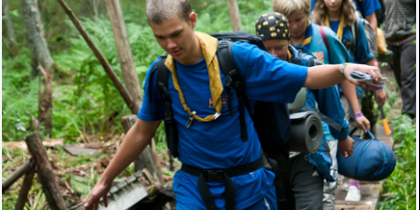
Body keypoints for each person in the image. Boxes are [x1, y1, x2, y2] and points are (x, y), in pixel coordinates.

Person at [83, 0, 382, 209]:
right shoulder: (161, 73)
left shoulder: (237, 58)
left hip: (249, 183)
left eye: (176, 34)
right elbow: (141, 130)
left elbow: (305, 75)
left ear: (192, 21)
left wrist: (344, 70)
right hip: (193, 186)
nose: (170, 45)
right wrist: (106, 180)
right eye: (160, 38)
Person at [271, 0, 374, 209]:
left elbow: (342, 75)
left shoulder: (324, 37)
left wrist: (356, 113)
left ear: (307, 13)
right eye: (288, 22)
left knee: (326, 191)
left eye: (298, 19)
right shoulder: (270, 48)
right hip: (282, 137)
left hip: (321, 129)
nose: (294, 26)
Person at [255, 12, 354, 210]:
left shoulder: (306, 63)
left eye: (280, 48)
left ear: (289, 40)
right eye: (267, 49)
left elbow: (330, 100)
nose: (274, 55)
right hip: (265, 158)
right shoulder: (251, 68)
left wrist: (342, 134)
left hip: (305, 152)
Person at [312, 0, 387, 202]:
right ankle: (335, 174)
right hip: (322, 88)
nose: (333, 1)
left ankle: (353, 181)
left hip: (350, 87)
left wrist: (378, 87)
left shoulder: (355, 23)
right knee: (327, 133)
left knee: (350, 128)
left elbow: (366, 56)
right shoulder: (314, 22)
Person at [383, 0, 416, 120]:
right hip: (390, 40)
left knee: (407, 76)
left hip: (410, 37)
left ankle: (408, 116)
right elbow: (379, 12)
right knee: (399, 78)